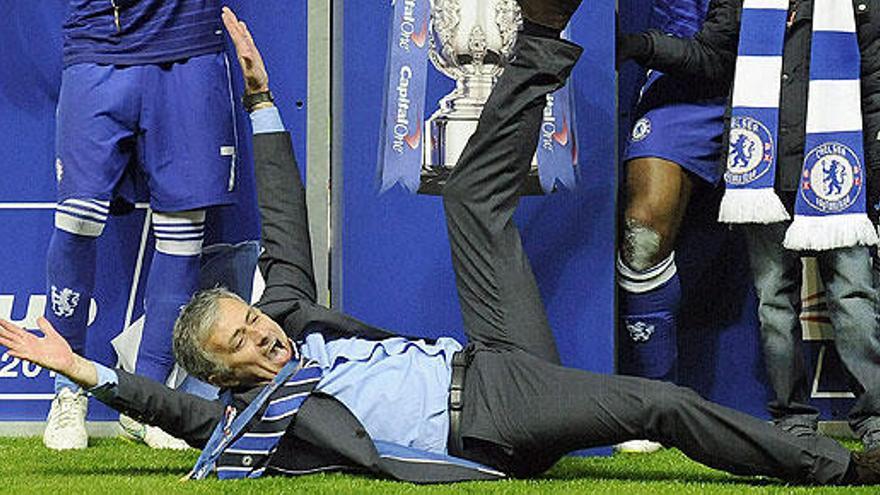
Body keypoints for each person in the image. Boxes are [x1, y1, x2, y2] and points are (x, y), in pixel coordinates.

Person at [4, 3, 880, 485]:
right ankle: (838, 467)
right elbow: (180, 412)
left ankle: (540, 35)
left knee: (470, 193)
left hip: (489, 360)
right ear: (227, 372)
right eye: (241, 340)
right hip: (491, 421)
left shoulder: (292, 320)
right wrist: (86, 373)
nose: (262, 332)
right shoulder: (257, 418)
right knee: (665, 408)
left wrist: (266, 101)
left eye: (250, 319)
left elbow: (285, 225)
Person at [618, 0, 880, 452]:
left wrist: (874, 165)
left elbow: (874, 78)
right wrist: (641, 45)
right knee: (774, 299)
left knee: (853, 296)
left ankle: (874, 418)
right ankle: (790, 418)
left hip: (840, 157)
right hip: (762, 162)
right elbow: (712, 54)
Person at [44, 0, 236, 450]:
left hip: (188, 40)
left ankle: (150, 400)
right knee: (77, 219)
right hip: (98, 41)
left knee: (182, 227)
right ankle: (67, 389)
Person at [615, 0, 728, 454]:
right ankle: (655, 400)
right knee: (643, 230)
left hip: (783, 77)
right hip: (680, 81)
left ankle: (796, 413)